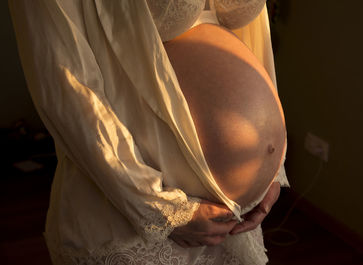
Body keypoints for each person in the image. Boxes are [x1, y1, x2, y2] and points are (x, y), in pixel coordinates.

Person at [9, 0, 289, 264]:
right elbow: (66, 89)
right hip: (134, 217)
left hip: (235, 224)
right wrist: (161, 210)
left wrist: (273, 169)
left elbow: (251, 37)